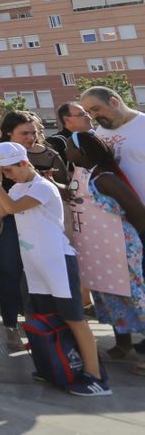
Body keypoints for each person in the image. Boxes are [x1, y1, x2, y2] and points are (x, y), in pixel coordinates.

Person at [0, 140, 110, 396]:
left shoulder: (43, 187)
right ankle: (53, 362)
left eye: (8, 170)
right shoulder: (18, 187)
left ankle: (96, 376)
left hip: (57, 261)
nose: (6, 176)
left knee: (74, 317)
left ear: (23, 163)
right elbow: (0, 209)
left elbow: (13, 208)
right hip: (35, 263)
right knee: (42, 315)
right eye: (2, 172)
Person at [0, 109, 66, 348]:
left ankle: (38, 323)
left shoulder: (45, 154)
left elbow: (62, 183)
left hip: (35, 219)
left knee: (35, 271)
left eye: (34, 132)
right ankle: (11, 325)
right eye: (24, 133)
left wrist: (49, 182)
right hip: (4, 218)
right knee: (9, 270)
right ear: (9, 132)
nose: (31, 137)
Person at [64, 131, 145, 375]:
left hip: (121, 247)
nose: (65, 150)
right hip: (99, 250)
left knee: (135, 297)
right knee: (111, 296)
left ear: (81, 152)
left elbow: (137, 212)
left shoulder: (105, 179)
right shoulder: (83, 175)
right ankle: (122, 344)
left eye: (69, 146)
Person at [85, 85, 145, 194]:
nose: (93, 116)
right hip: (120, 207)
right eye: (89, 112)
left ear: (114, 102)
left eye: (95, 109)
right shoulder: (100, 131)